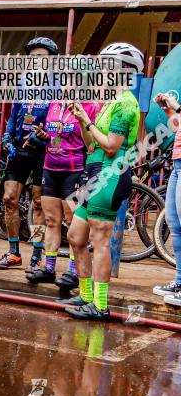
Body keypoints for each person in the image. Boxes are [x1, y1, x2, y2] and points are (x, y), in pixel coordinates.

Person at [62, 42, 144, 321]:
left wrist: (89, 121)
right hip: (94, 173)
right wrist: (83, 120)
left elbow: (111, 146)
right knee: (75, 237)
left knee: (100, 242)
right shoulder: (111, 101)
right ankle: (86, 296)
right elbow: (91, 144)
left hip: (109, 175)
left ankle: (100, 305)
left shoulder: (125, 104)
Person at [27, 91, 100, 288]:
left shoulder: (90, 105)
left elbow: (91, 143)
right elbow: (51, 135)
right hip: (50, 167)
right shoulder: (54, 103)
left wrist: (80, 115)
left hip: (74, 169)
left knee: (72, 222)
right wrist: (43, 135)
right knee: (51, 220)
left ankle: (74, 271)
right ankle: (48, 268)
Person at [0, 37, 52, 271]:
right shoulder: (23, 82)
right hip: (19, 148)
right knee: (9, 199)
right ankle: (13, 251)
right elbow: (14, 112)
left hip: (42, 151)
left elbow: (57, 121)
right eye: (33, 57)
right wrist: (7, 136)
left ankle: (37, 254)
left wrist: (42, 135)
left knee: (38, 203)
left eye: (41, 57)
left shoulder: (57, 86)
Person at [152, 90, 181, 307]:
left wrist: (177, 107)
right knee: (174, 222)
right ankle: (179, 282)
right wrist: (170, 111)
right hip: (178, 162)